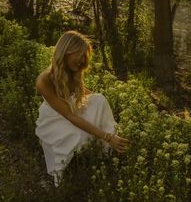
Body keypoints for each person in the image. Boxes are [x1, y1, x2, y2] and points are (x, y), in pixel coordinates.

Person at [35, 30, 129, 185]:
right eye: (80, 57)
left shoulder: (72, 70)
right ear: (66, 52)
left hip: (72, 109)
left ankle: (111, 150)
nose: (82, 62)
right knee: (79, 135)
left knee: (99, 99)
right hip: (56, 119)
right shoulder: (43, 81)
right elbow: (70, 116)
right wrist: (107, 136)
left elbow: (83, 93)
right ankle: (108, 143)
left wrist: (101, 104)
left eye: (85, 57)